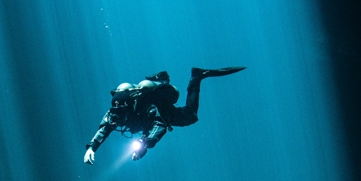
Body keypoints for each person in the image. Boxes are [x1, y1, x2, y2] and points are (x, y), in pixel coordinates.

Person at [83, 67, 245, 163]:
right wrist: (92, 148)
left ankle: (196, 78)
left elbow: (159, 125)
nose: (118, 116)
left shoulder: (146, 108)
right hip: (149, 113)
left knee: (191, 116)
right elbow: (105, 127)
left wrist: (145, 143)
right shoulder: (116, 111)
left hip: (162, 109)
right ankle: (164, 79)